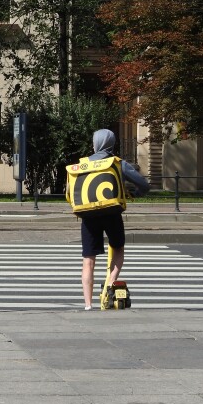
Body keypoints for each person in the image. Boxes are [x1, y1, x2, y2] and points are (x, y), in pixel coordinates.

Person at [79, 129, 150, 310]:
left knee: (88, 259)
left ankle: (88, 305)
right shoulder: (118, 163)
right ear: (111, 144)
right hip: (112, 212)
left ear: (95, 144)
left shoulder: (83, 164)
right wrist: (135, 193)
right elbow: (144, 185)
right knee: (117, 248)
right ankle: (111, 284)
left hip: (88, 215)